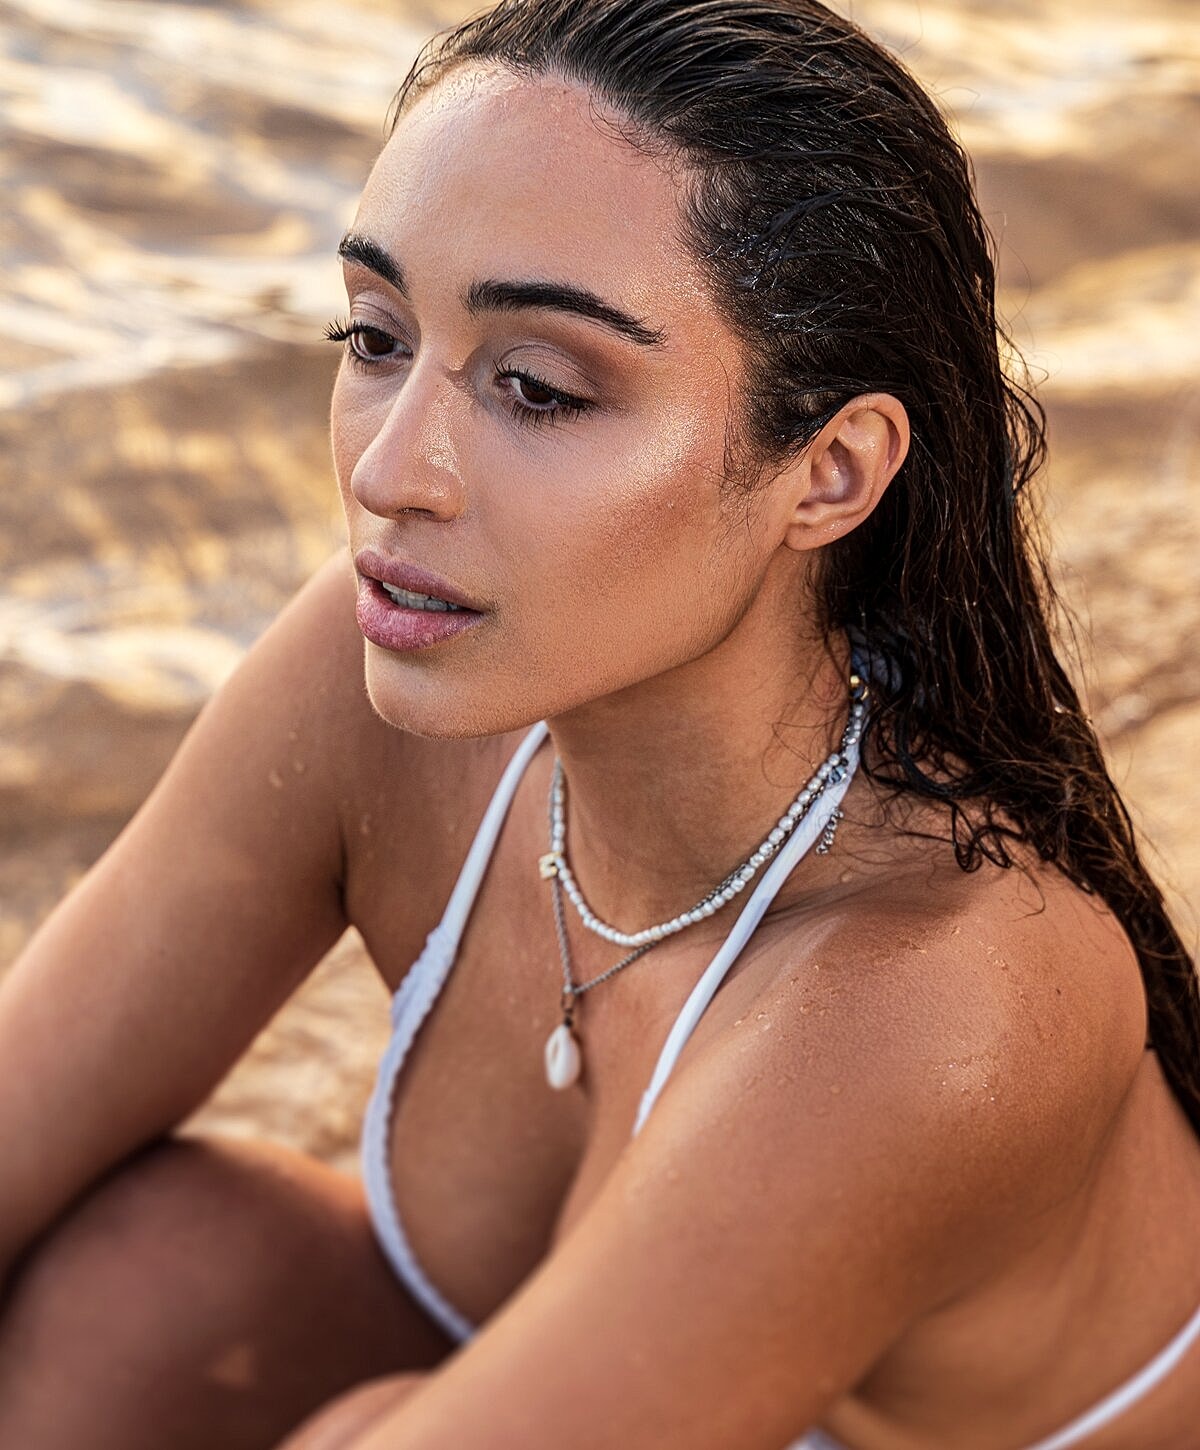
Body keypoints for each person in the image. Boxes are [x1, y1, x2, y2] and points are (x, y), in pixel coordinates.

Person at [0, 0, 1197, 1446]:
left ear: (827, 471)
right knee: (158, 1291)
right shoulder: (394, 660)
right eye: (376, 334)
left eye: (538, 387)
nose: (390, 471)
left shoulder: (942, 994)